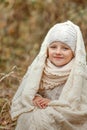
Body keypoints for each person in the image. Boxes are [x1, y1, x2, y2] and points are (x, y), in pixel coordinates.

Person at [10, 21, 87, 130]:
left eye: (65, 48)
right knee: (26, 117)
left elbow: (80, 103)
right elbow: (27, 91)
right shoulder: (39, 67)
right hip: (39, 108)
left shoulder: (79, 73)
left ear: (74, 52)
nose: (58, 52)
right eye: (53, 47)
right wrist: (35, 97)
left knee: (49, 119)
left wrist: (53, 103)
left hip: (65, 112)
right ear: (47, 48)